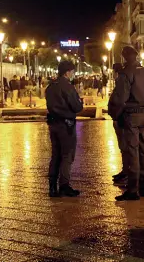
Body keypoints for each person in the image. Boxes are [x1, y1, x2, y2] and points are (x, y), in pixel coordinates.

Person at [108, 46, 144, 201]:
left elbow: (120, 99)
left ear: (124, 57)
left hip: (131, 115)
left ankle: (133, 189)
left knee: (132, 151)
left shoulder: (126, 74)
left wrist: (114, 114)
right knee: (143, 150)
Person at [46, 61, 83, 197]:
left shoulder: (51, 86)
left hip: (53, 124)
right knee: (67, 155)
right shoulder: (67, 87)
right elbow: (77, 107)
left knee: (55, 155)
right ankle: (64, 185)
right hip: (66, 125)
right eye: (72, 72)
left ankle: (52, 186)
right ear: (68, 72)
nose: (73, 74)